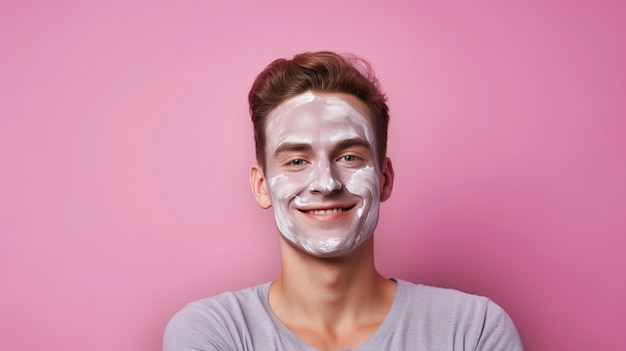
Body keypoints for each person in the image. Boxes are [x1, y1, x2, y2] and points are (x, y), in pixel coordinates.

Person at [163, 51, 524, 351]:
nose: (325, 182)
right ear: (261, 186)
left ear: (384, 179)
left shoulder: (472, 329)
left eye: (349, 157)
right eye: (297, 161)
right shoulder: (213, 333)